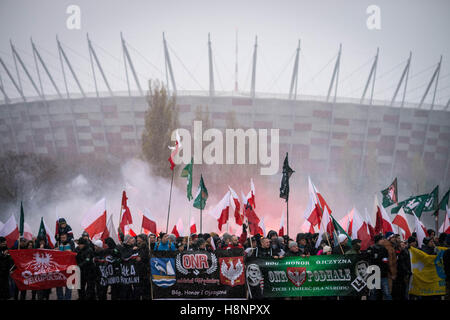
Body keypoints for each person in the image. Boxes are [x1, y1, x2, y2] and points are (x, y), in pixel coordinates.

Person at [367, 234, 392, 300]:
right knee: (373, 293)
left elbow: (386, 261)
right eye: (382, 239)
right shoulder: (371, 249)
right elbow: (369, 261)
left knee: (386, 293)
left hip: (383, 275)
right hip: (373, 275)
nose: (383, 240)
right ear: (378, 240)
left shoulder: (384, 249)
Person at [56, 233, 75, 300]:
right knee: (59, 283)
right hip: (59, 267)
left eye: (64, 237)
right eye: (62, 237)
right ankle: (60, 297)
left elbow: (74, 253)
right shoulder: (58, 243)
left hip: (69, 266)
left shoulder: (71, 243)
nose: (63, 239)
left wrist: (69, 251)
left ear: (66, 237)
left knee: (69, 284)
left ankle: (67, 298)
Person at [135, 234, 150, 300]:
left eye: (139, 238)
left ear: (143, 239)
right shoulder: (137, 247)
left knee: (145, 289)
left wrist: (140, 257)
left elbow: (142, 257)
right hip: (139, 270)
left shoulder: (145, 247)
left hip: (144, 270)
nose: (137, 239)